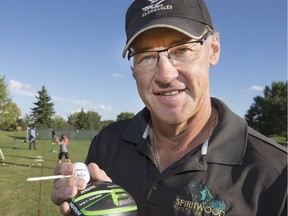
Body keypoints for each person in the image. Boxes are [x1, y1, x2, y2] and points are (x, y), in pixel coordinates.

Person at [51, 0, 287, 215]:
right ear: (133, 69)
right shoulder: (108, 142)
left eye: (182, 49)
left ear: (213, 49)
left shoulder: (277, 174)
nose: (165, 75)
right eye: (146, 57)